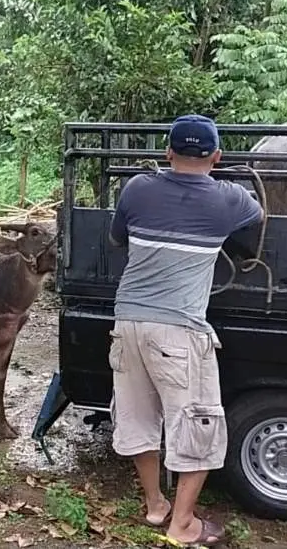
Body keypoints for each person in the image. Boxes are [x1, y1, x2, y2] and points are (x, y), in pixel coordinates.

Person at [107, 114, 263, 546]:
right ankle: (182, 523)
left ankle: (156, 505)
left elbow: (117, 238)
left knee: (138, 419)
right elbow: (256, 218)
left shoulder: (137, 188)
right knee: (198, 424)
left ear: (166, 152)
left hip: (127, 323)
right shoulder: (229, 199)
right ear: (217, 155)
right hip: (180, 330)